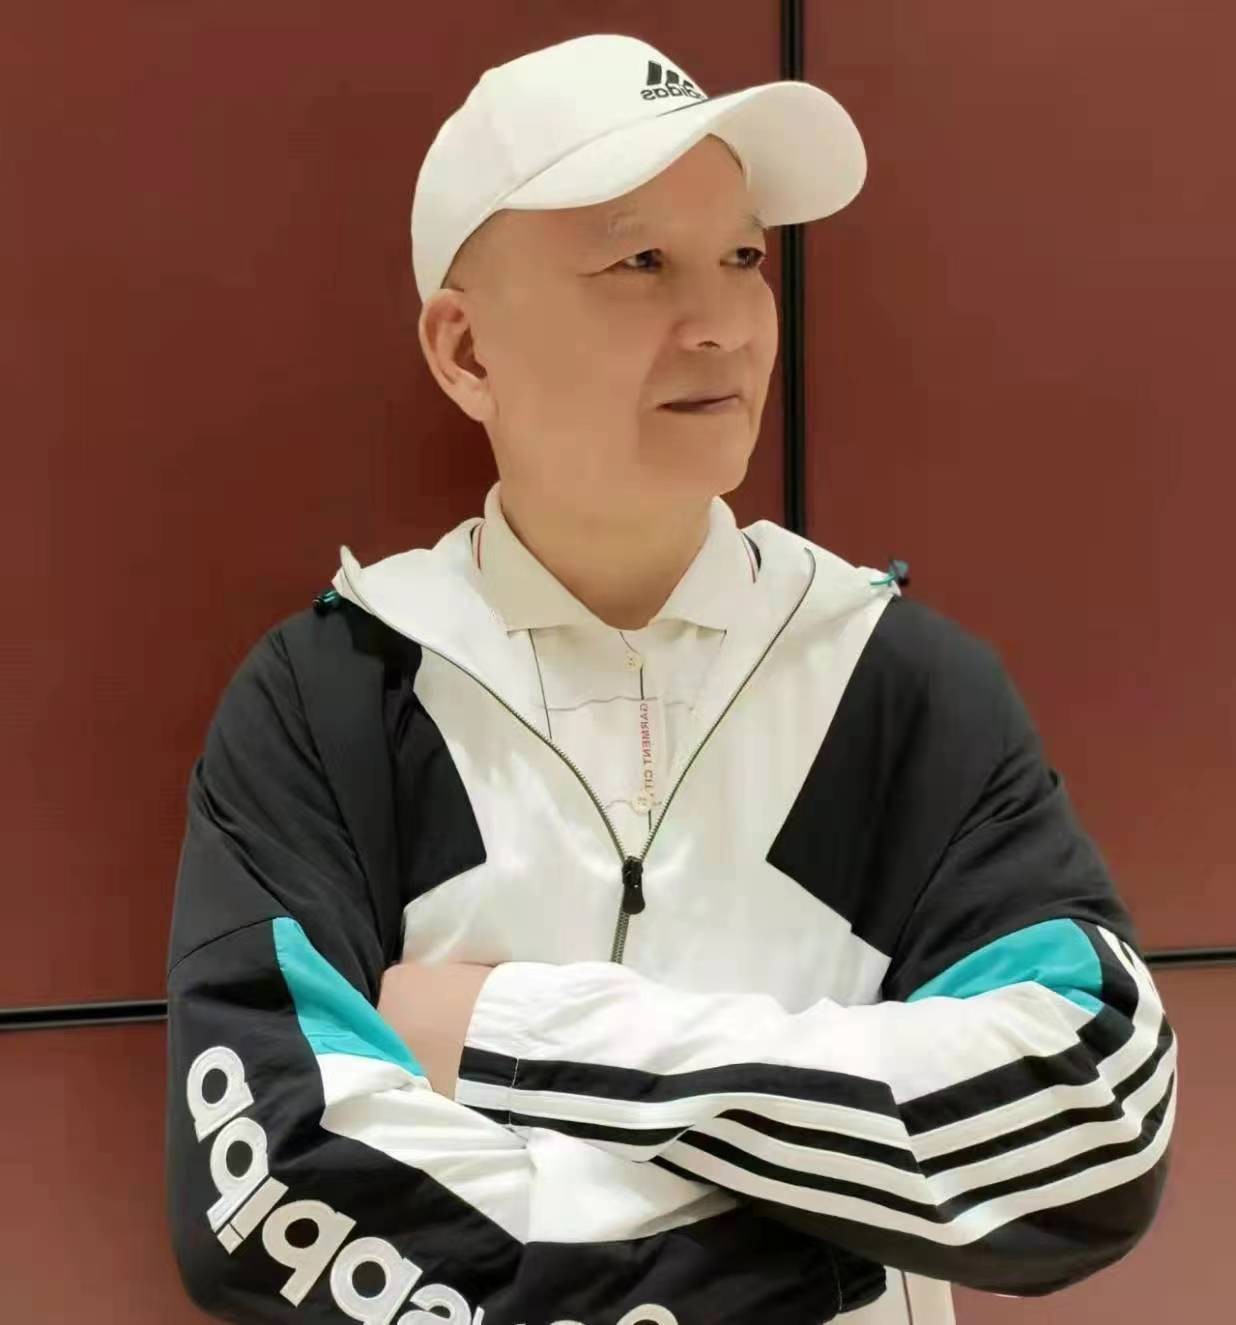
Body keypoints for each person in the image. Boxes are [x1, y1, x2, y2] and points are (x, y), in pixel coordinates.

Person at [163, 33, 1176, 1325]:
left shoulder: (893, 686)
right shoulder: (338, 696)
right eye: (640, 261)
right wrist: (824, 1236)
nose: (725, 324)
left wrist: (513, 1036)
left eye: (745, 258)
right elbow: (272, 1192)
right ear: (466, 351)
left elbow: (1088, 1116)